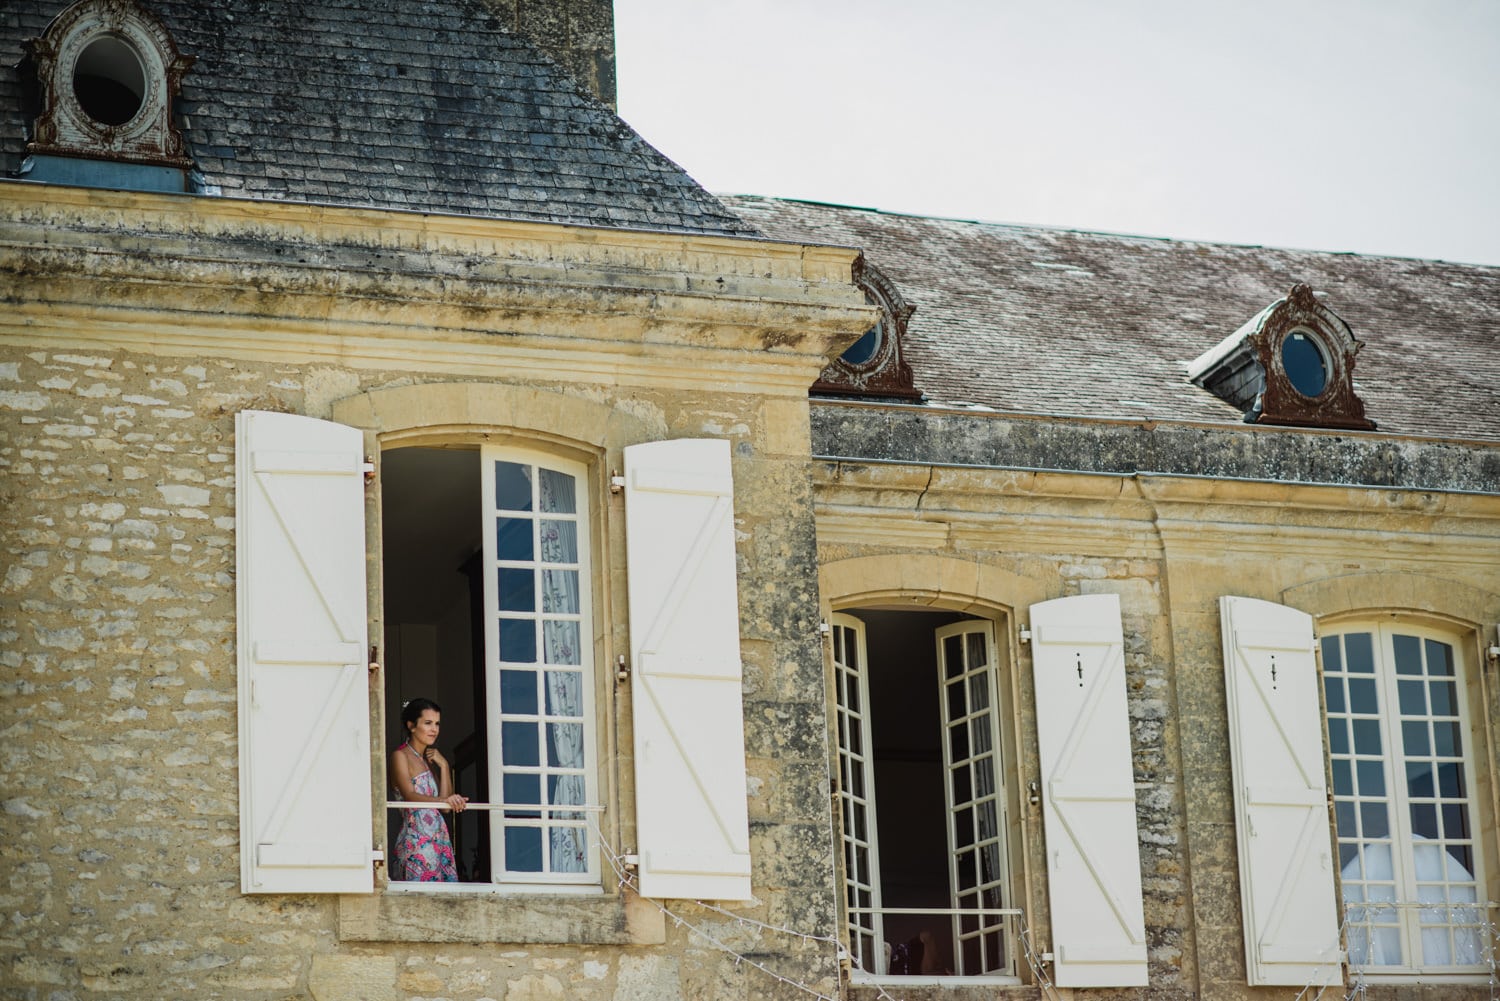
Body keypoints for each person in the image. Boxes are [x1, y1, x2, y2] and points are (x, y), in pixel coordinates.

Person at [389, 697, 467, 882]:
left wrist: (445, 766)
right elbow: (409, 796)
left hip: (439, 839)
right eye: (428, 723)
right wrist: (445, 801)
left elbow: (446, 808)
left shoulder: (428, 761)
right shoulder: (400, 756)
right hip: (417, 840)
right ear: (411, 725)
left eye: (437, 724)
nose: (434, 729)